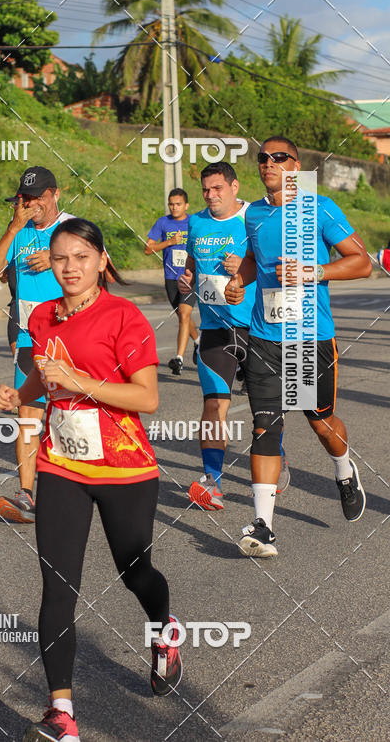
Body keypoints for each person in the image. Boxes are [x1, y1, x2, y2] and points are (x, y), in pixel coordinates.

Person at [0, 218, 182, 742]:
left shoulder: (124, 315)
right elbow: (42, 373)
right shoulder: (43, 317)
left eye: (80, 257)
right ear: (49, 264)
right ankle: (61, 714)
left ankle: (164, 631)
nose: (70, 268)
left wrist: (83, 383)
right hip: (61, 465)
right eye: (59, 258)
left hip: (125, 468)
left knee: (135, 571)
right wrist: (19, 396)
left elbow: (147, 398)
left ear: (101, 260)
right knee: (57, 587)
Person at [225, 136, 371, 557]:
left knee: (321, 423)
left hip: (309, 340)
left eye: (279, 157)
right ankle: (263, 526)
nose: (268, 163)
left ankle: (344, 470)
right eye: (262, 158)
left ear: (297, 165)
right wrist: (240, 283)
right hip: (266, 337)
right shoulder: (253, 214)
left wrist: (314, 271)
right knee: (265, 427)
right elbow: (253, 261)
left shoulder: (319, 208)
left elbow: (361, 262)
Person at [177, 162, 289, 510]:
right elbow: (192, 264)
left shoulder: (254, 218)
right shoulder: (195, 222)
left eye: (217, 188)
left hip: (258, 328)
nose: (211, 195)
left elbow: (274, 263)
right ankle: (212, 480)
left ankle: (276, 455)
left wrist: (244, 265)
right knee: (214, 404)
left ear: (235, 186)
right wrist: (186, 277)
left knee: (263, 409)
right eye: (206, 190)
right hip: (214, 330)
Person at [0, 166, 75, 524]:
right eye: (25, 198)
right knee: (28, 418)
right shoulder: (19, 232)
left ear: (55, 195)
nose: (31, 205)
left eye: (37, 198)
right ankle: (26, 495)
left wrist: (56, 261)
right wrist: (12, 228)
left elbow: (100, 270)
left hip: (69, 337)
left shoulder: (71, 228)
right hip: (28, 338)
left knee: (69, 418)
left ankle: (76, 489)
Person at [146, 188, 200, 375]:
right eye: (171, 204)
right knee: (181, 315)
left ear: (186, 205)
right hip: (170, 278)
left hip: (188, 276)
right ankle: (198, 342)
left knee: (184, 314)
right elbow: (148, 248)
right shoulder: (163, 222)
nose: (174, 207)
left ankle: (178, 358)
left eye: (178, 204)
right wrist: (168, 242)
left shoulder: (194, 222)